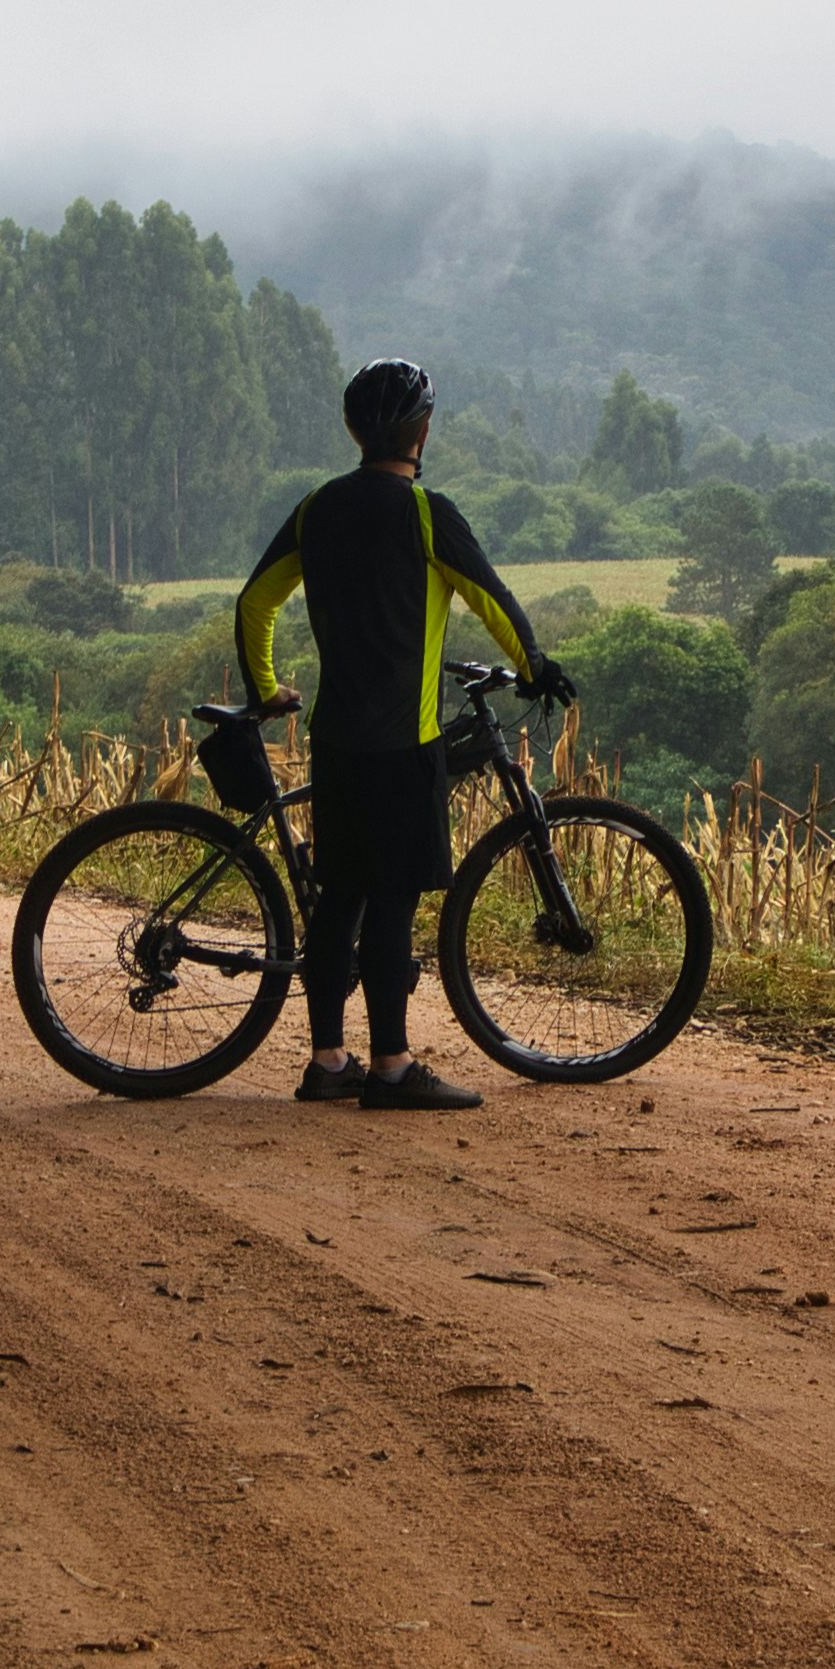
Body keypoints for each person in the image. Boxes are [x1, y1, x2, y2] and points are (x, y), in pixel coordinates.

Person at [235, 360, 575, 1109]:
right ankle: (390, 1068)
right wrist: (537, 667)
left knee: (338, 900)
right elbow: (493, 600)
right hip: (404, 741)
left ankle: (328, 1063)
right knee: (391, 903)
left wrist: (266, 690)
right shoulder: (426, 513)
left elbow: (255, 602)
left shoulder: (316, 509)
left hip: (337, 740)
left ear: (354, 430)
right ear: (423, 431)